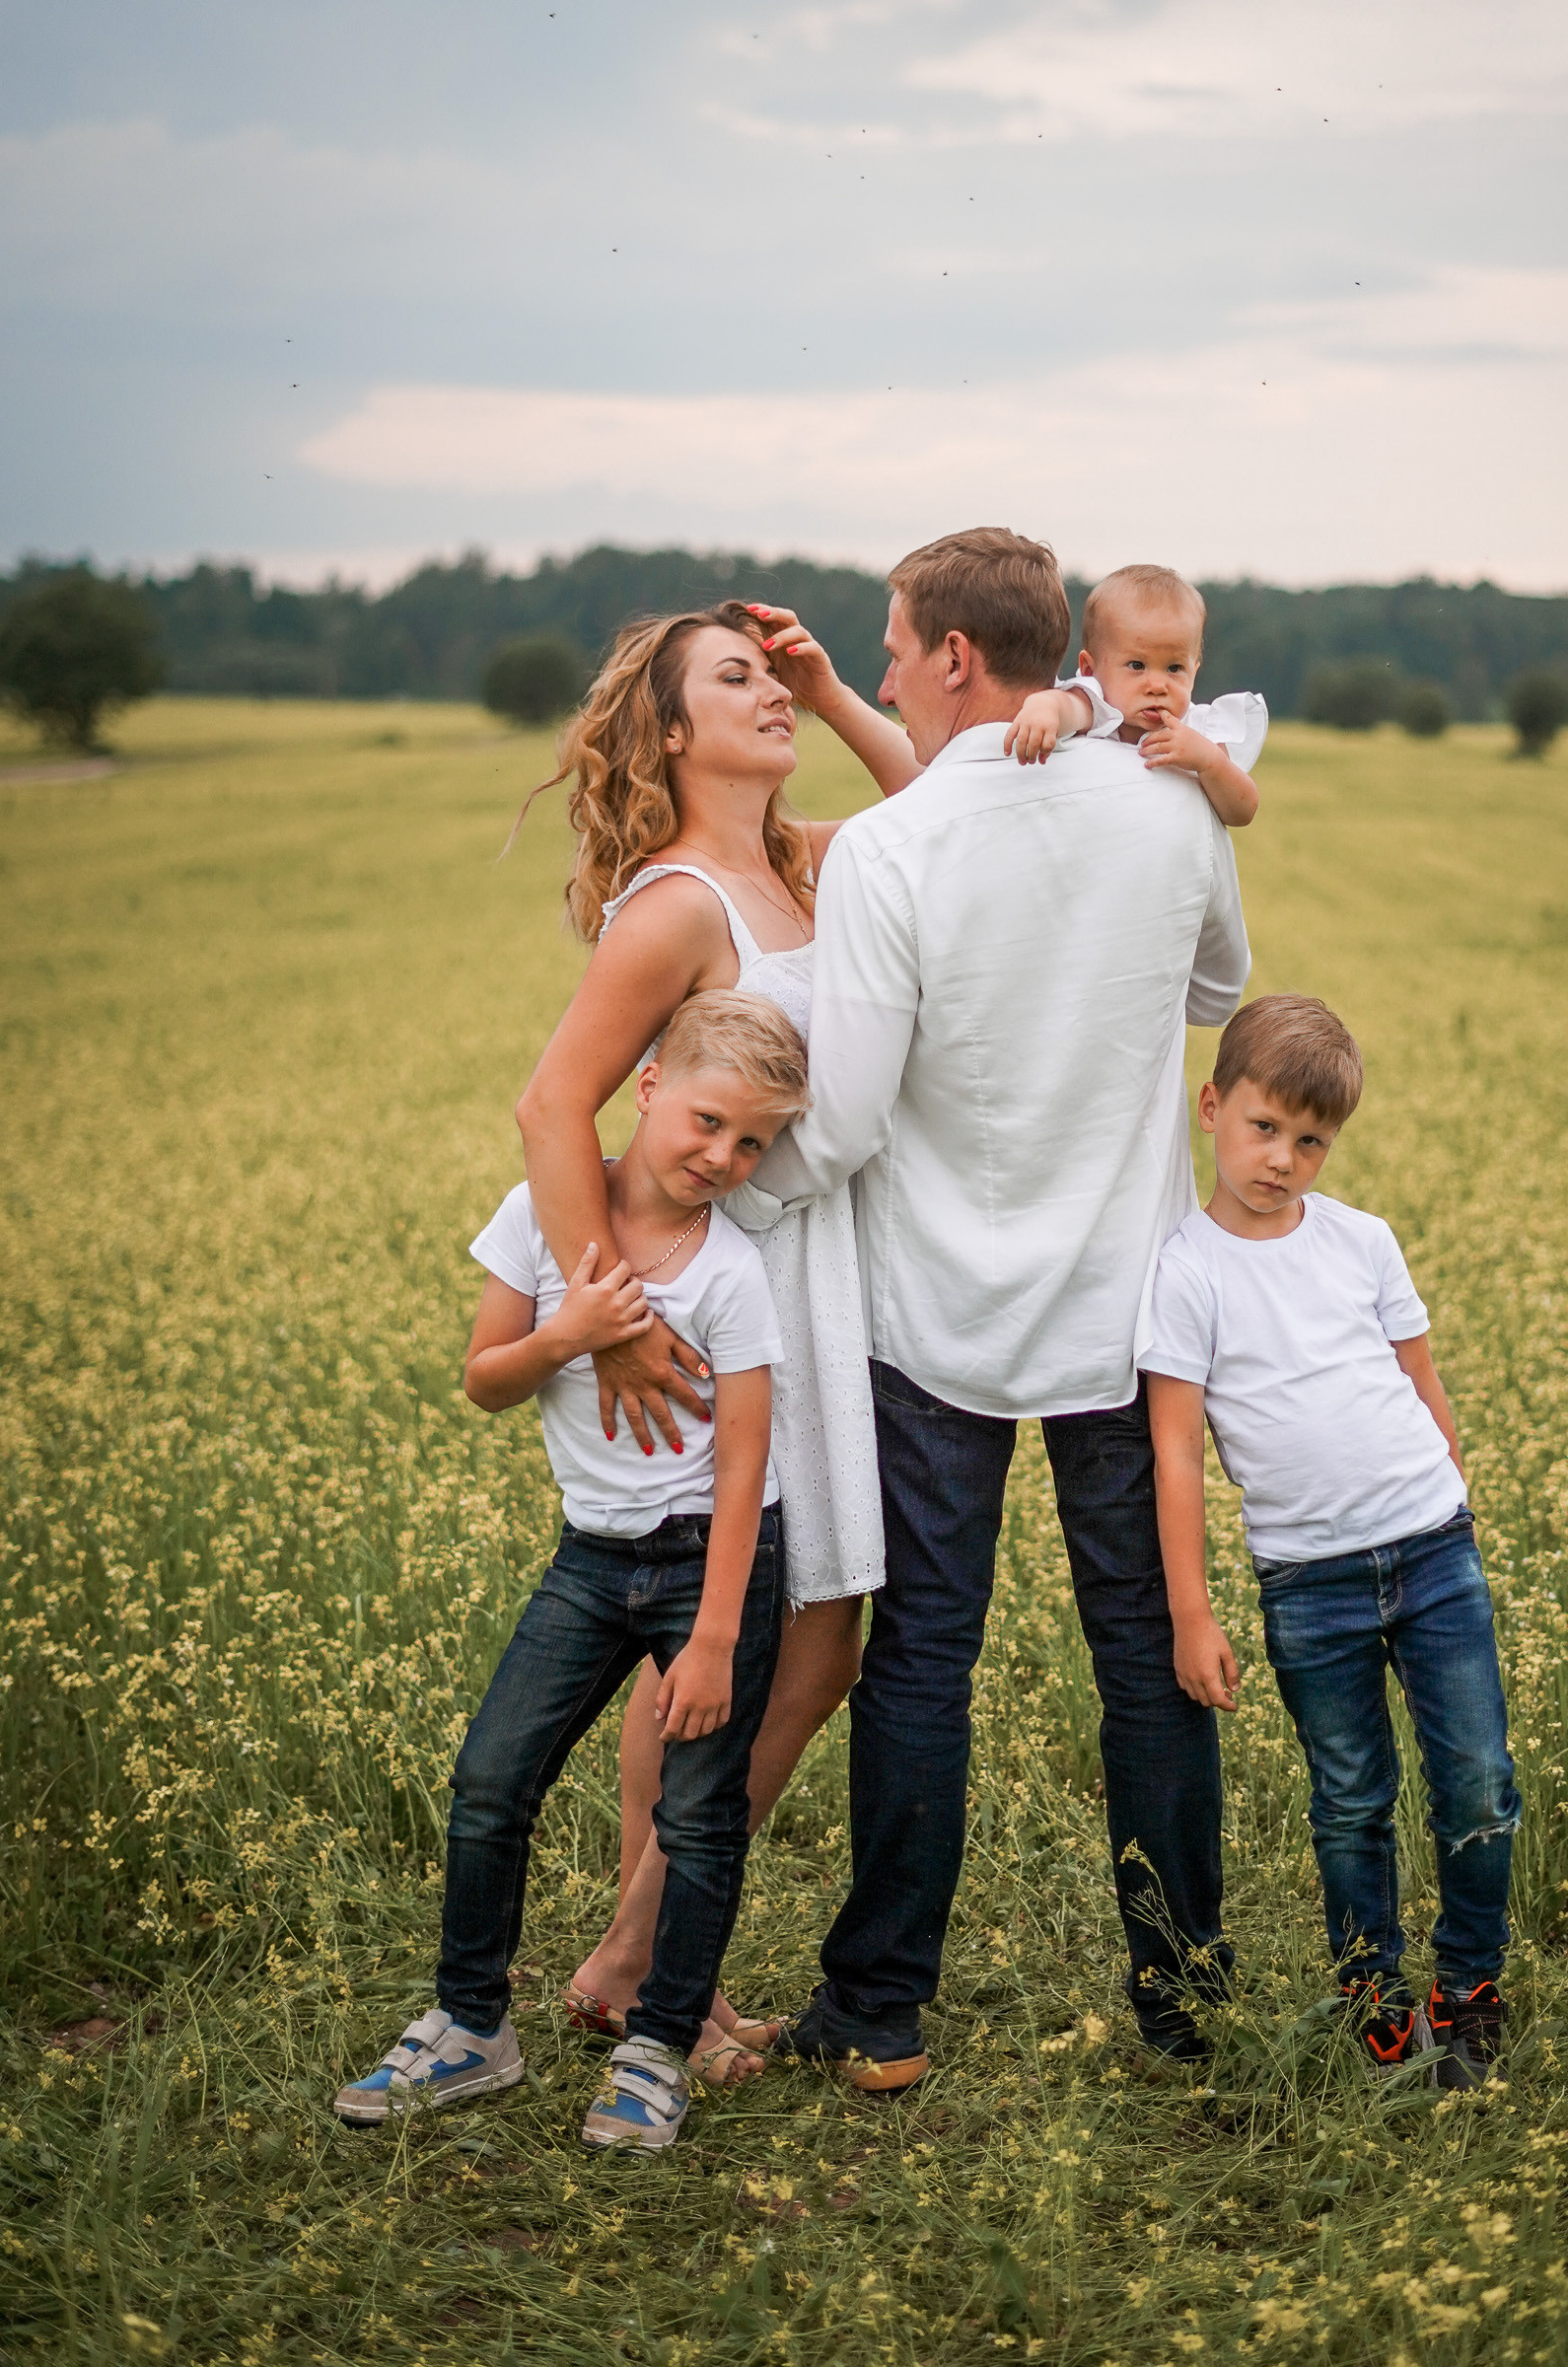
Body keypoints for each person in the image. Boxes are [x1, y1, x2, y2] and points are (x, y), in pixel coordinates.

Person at [748, 526, 1252, 2089]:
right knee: (1142, 1655)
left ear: (956, 658)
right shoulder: (1174, 805)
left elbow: (843, 1121)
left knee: (922, 1658)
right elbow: (1218, 992)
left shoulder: (892, 848)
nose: (884, 670)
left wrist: (719, 1201)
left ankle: (880, 2012)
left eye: (894, 648)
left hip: (936, 1318)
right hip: (1125, 1308)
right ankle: (1185, 2004)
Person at [511, 602, 887, 2088]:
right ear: (670, 733)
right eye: (737, 680)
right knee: (725, 1638)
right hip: (728, 1294)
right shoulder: (674, 904)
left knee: (821, 1633)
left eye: (770, 673)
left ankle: (645, 1957)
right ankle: (650, 1966)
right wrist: (608, 1317)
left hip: (818, 1278)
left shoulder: (797, 860)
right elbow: (554, 1105)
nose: (769, 692)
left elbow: (946, 818)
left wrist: (833, 689)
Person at [334, 991, 808, 2152]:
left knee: (700, 1816)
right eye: (706, 1121)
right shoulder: (538, 1221)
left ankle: (657, 2045)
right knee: (492, 1778)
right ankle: (470, 2025)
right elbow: (485, 1379)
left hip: (710, 1564)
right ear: (645, 1087)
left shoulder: (730, 1270)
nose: (722, 1157)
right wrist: (571, 1334)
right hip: (591, 1558)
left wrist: (714, 1637)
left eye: (752, 1143)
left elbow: (745, 1461)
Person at [1140, 994, 1520, 2089]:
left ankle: (1470, 1986)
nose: (1283, 1159)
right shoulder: (1185, 1269)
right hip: (1309, 1583)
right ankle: (1373, 1992)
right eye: (1264, 1128)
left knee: (1478, 1782)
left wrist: (1452, 1493)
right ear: (1212, 1108)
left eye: (1311, 1142)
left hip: (1431, 1550)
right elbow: (1176, 1453)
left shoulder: (1362, 1240)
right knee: (1351, 1798)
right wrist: (1192, 1614)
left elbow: (1420, 1379)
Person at [1005, 562, 1266, 827]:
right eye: (1137, 665)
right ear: (1089, 670)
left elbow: (1243, 812)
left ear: (1194, 672)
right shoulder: (1097, 708)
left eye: (1174, 668)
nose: (1158, 686)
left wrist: (1209, 762)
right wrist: (1044, 706)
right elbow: (1068, 707)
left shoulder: (1198, 730)